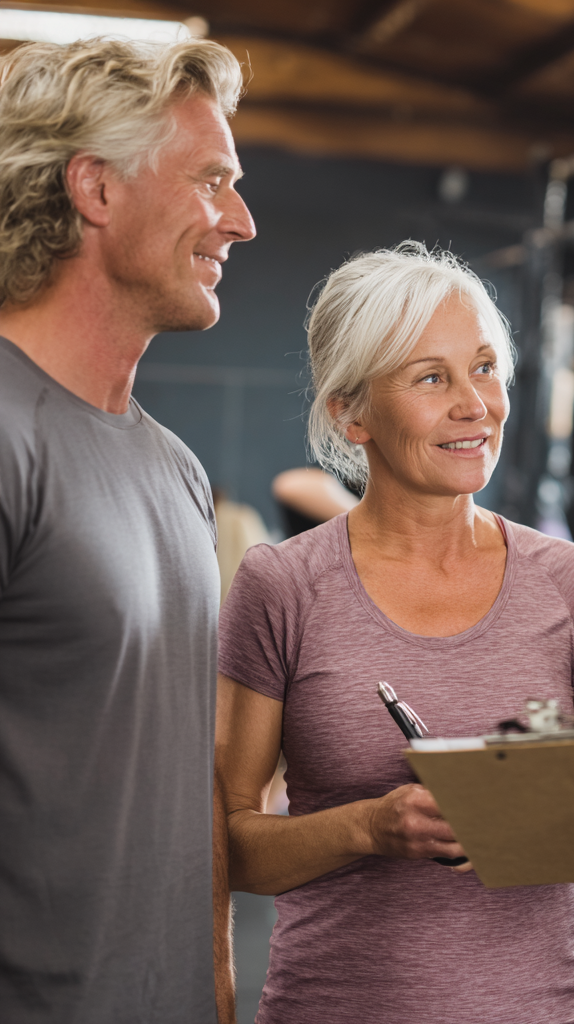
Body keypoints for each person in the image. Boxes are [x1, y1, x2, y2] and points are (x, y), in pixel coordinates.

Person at [216, 243, 574, 1024]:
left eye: (484, 367)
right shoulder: (281, 586)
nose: (475, 404)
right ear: (350, 410)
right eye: (431, 377)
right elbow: (230, 847)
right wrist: (372, 826)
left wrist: (549, 805)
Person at [0, 38, 255, 1023]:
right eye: (212, 181)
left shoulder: (177, 469)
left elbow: (183, 771)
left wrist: (217, 972)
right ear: (95, 189)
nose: (240, 220)